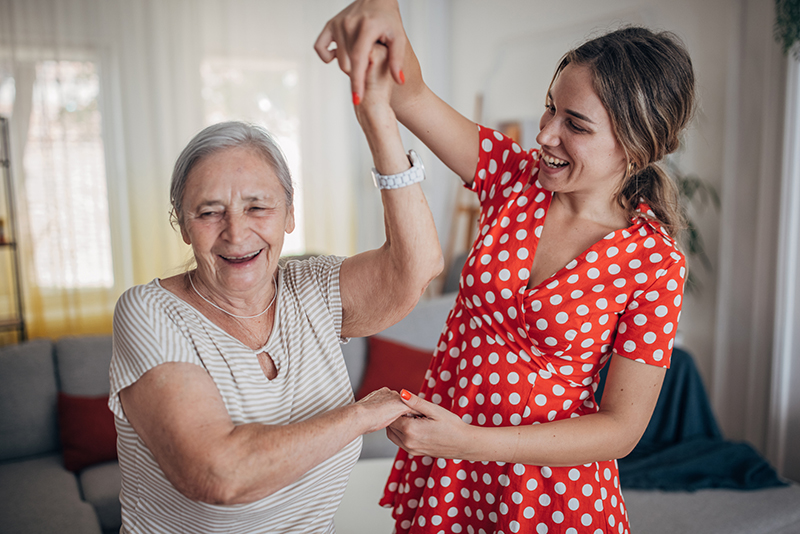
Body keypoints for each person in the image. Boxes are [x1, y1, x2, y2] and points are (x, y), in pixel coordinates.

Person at [315, 2, 694, 533]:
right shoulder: (513, 178)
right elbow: (409, 93)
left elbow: (621, 429)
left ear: (634, 146)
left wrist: (470, 442)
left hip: (550, 493)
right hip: (450, 474)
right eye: (549, 108)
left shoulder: (654, 262)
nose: (545, 134)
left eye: (575, 124)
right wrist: (383, 9)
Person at [108, 43, 442, 533]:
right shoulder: (150, 312)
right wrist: (359, 416)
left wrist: (378, 120)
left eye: (257, 207)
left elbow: (418, 266)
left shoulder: (313, 287)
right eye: (209, 211)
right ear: (182, 224)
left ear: (289, 214)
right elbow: (219, 474)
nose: (236, 233)